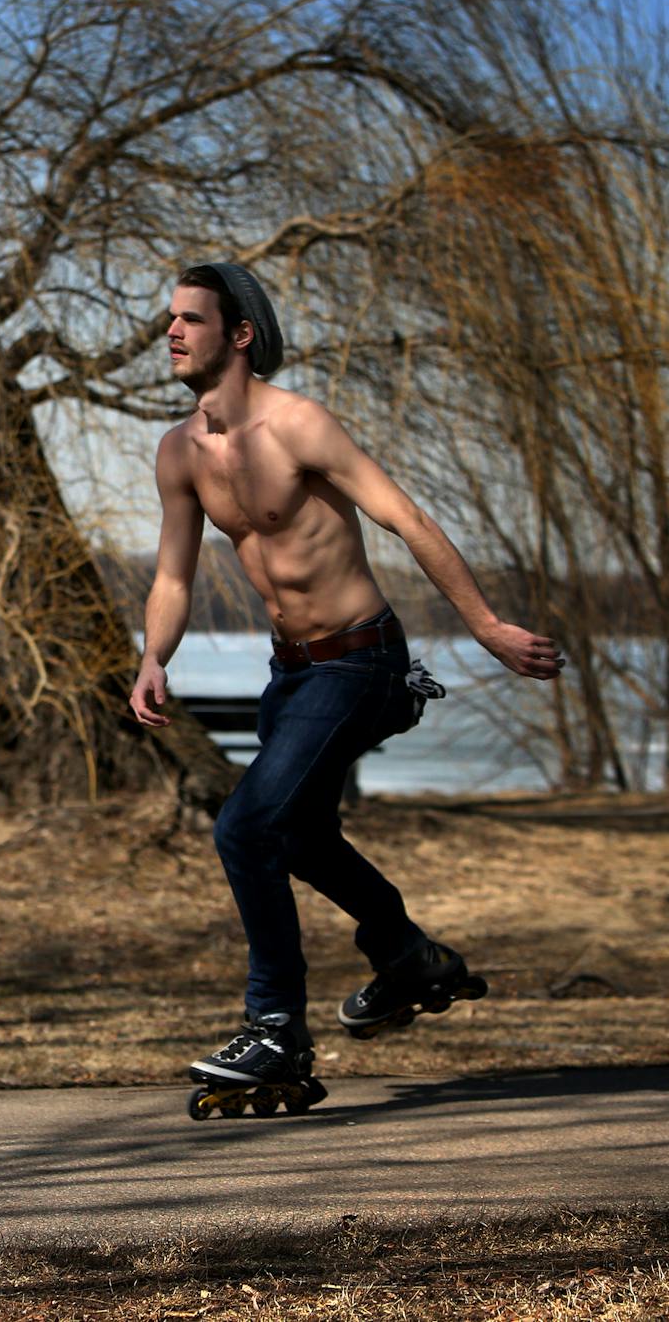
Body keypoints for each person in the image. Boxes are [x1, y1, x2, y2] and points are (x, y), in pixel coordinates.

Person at [128, 262, 563, 1111]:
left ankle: (276, 1027)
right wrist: (155, 657)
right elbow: (174, 576)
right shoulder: (180, 451)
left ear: (239, 334)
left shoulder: (299, 426)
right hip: (291, 672)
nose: (172, 333)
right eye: (168, 320)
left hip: (363, 660)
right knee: (299, 839)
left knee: (246, 826)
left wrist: (485, 627)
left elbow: (409, 519)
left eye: (190, 319)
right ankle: (407, 954)